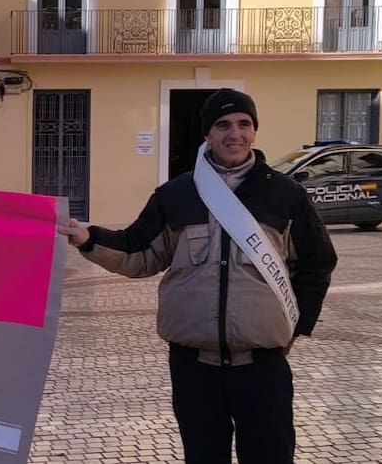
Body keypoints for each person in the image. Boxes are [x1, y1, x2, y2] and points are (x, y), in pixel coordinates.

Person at [59, 88, 338, 464]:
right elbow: (139, 252)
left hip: (262, 367)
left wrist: (296, 325)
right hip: (194, 368)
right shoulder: (177, 195)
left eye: (243, 124)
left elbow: (318, 261)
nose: (234, 134)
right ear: (207, 133)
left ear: (255, 132)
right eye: (222, 125)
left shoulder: (286, 196)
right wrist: (88, 239)